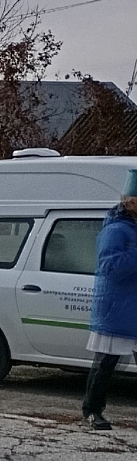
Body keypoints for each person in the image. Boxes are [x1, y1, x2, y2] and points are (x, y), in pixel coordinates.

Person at [82, 171, 137, 430]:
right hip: (119, 307)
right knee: (106, 362)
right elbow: (109, 266)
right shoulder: (116, 229)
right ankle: (92, 410)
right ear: (131, 202)